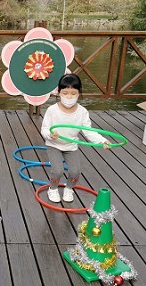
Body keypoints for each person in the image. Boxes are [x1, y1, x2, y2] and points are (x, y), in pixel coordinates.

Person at [40, 73, 109, 203]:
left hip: (71, 146)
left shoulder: (82, 112)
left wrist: (102, 141)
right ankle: (53, 189)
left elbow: (89, 132)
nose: (69, 96)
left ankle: (69, 189)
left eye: (73, 93)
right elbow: (44, 129)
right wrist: (50, 135)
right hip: (54, 145)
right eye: (65, 93)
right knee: (58, 170)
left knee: (75, 171)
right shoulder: (52, 110)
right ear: (59, 93)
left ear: (79, 93)